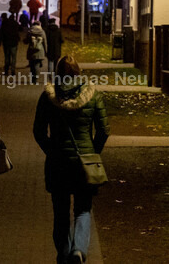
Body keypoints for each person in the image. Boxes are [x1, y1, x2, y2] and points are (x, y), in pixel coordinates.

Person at [33, 56, 110, 264]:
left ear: (58, 73)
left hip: (57, 163)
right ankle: (79, 250)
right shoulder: (93, 95)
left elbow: (38, 131)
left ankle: (64, 252)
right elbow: (104, 130)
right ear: (79, 72)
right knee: (83, 208)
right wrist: (93, 153)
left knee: (60, 210)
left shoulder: (48, 96)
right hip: (83, 163)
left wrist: (51, 150)